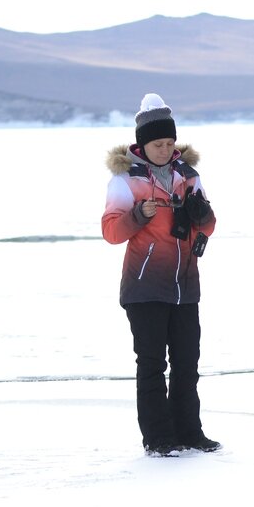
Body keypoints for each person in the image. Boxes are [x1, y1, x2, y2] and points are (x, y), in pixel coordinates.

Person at [101, 93, 220, 456]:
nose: (165, 150)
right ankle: (159, 439)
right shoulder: (126, 180)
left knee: (187, 364)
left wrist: (202, 216)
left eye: (169, 143)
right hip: (144, 286)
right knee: (152, 364)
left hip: (185, 286)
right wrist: (139, 215)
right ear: (143, 144)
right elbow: (111, 232)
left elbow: (210, 226)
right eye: (158, 144)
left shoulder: (189, 175)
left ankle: (190, 433)